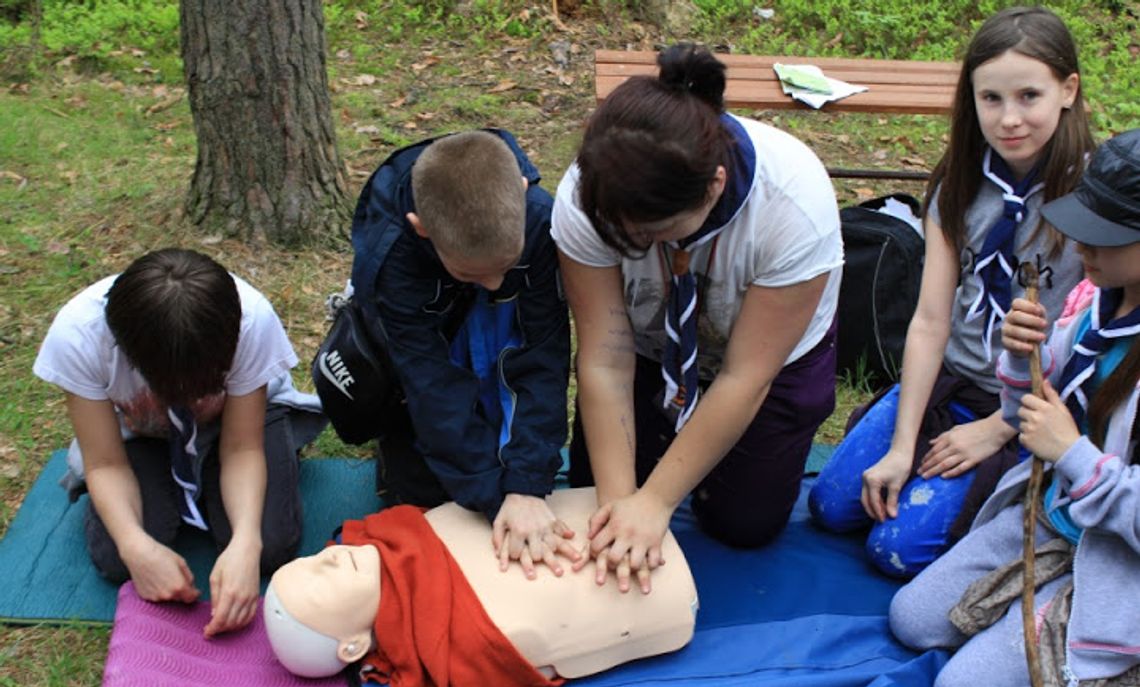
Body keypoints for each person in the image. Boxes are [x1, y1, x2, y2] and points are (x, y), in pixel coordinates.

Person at [809, 6, 1094, 577]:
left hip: (1041, 401)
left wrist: (997, 429)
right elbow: (931, 321)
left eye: (1028, 96)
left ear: (1067, 90)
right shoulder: (961, 183)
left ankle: (1017, 495)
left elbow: (1096, 346)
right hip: (952, 378)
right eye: (991, 99)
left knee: (894, 551)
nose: (1009, 119)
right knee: (832, 506)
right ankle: (922, 459)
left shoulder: (1096, 199)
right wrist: (901, 443)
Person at [551, 43, 844, 594]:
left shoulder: (794, 205)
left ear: (713, 185)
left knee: (743, 526)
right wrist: (621, 507)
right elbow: (605, 357)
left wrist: (657, 501)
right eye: (620, 233)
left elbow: (744, 377)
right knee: (595, 498)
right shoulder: (586, 193)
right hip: (645, 348)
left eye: (653, 232)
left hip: (767, 362)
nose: (634, 245)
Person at [889, 129, 1140, 687]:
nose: (1082, 246)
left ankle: (1107, 663)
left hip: (1122, 556)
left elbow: (1069, 448)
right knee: (912, 620)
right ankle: (1048, 602)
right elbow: (1027, 411)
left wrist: (1075, 455)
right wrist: (1021, 359)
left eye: (1106, 236)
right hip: (1056, 516)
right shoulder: (1094, 299)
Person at [33, 248, 325, 636]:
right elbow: (104, 462)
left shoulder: (251, 319)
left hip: (234, 426)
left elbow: (242, 447)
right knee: (117, 560)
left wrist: (246, 542)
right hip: (142, 432)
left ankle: (215, 486)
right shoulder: (79, 335)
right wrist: (134, 544)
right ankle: (185, 488)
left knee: (271, 546)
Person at [347, 130, 573, 579]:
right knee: (430, 504)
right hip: (425, 350)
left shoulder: (540, 219)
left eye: (505, 268)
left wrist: (526, 485)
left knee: (524, 466)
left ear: (523, 196)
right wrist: (494, 497)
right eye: (472, 272)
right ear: (421, 227)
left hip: (499, 331)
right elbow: (430, 385)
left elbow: (544, 354)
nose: (492, 284)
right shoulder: (390, 255)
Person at [263, 487, 698, 687]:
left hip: (622, 507)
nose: (329, 558)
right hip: (652, 586)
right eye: (318, 583)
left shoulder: (398, 531)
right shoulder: (455, 649)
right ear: (353, 645)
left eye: (310, 560)